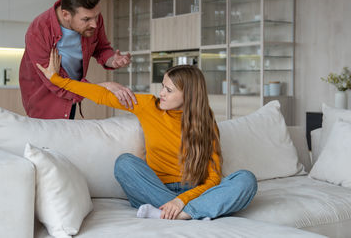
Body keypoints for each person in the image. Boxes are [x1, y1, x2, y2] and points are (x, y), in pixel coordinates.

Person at [37, 49, 258, 220]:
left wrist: (182, 202)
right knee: (125, 163)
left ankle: (176, 214)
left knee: (246, 180)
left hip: (193, 189)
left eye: (169, 90)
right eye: (163, 86)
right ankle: (192, 213)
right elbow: (101, 96)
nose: (161, 93)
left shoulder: (206, 122)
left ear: (188, 95)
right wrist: (56, 79)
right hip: (153, 187)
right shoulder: (148, 105)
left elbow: (212, 179)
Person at [19, 0, 136, 119]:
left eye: (97, 16)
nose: (94, 24)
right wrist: (102, 87)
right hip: (45, 101)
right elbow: (56, 82)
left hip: (74, 95)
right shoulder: (38, 31)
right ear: (66, 15)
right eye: (86, 19)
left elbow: (102, 48)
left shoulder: (92, 19)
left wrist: (113, 59)